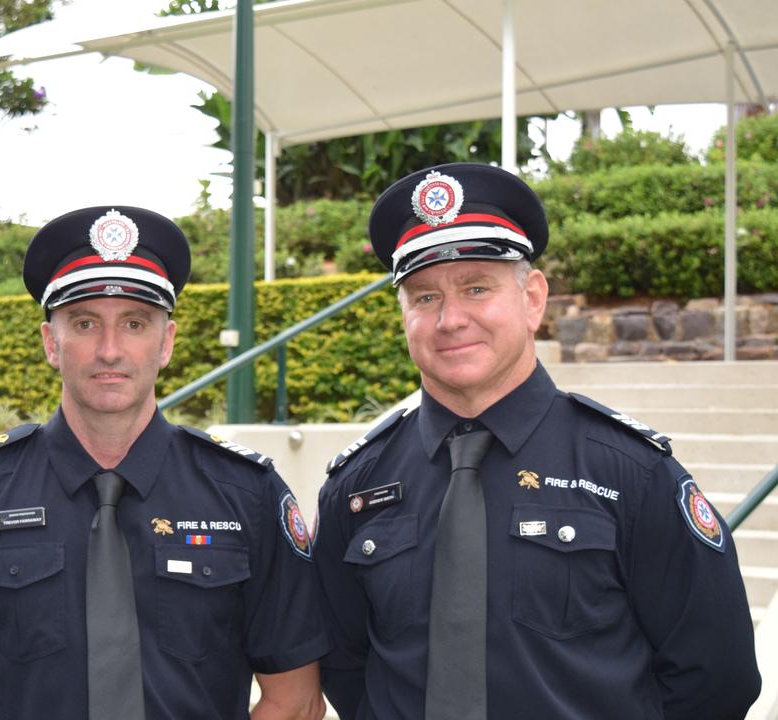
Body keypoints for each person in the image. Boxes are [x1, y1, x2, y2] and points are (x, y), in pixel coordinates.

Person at [312, 163, 761, 719]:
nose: (450, 319)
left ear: (533, 299)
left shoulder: (631, 473)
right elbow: (348, 668)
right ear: (402, 314)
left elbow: (717, 677)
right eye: (424, 297)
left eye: (477, 288)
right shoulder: (357, 487)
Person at [0, 206, 330, 720]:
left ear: (166, 343)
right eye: (85, 323)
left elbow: (295, 698)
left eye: (134, 323)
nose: (109, 350)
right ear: (51, 343)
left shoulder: (246, 494)